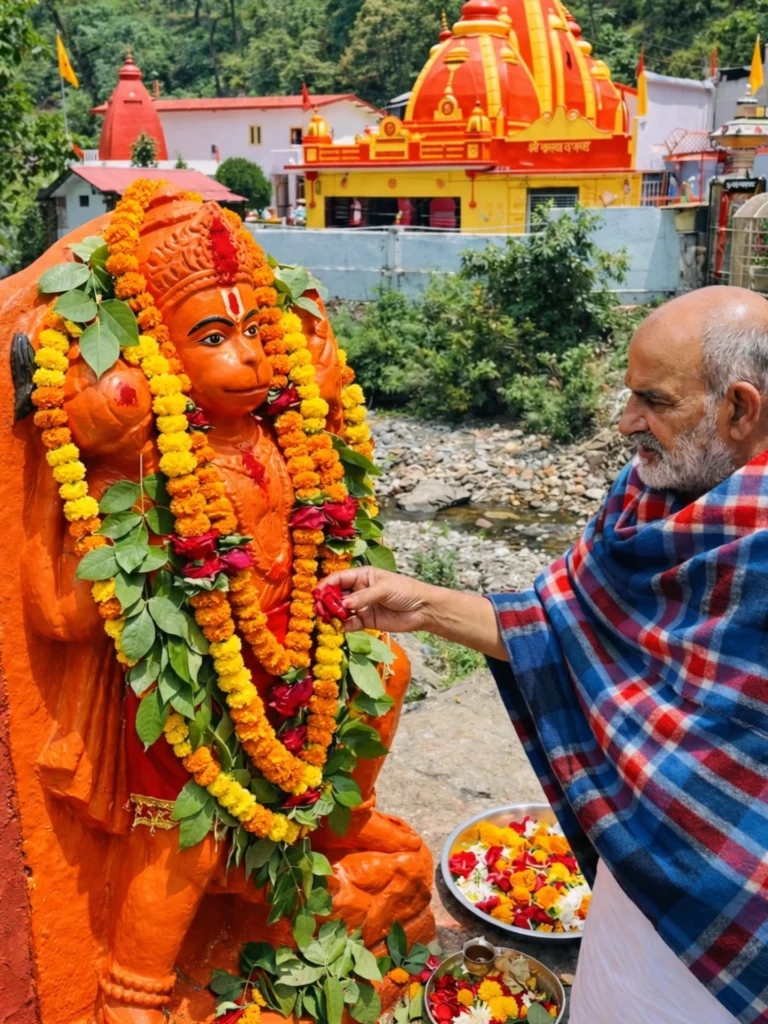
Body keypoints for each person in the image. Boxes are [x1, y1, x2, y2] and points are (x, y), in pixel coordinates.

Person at [326, 286, 768, 1024]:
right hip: (634, 882)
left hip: (736, 919)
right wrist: (424, 604)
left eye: (652, 402)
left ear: (740, 410)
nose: (627, 423)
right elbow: (560, 624)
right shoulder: (651, 496)